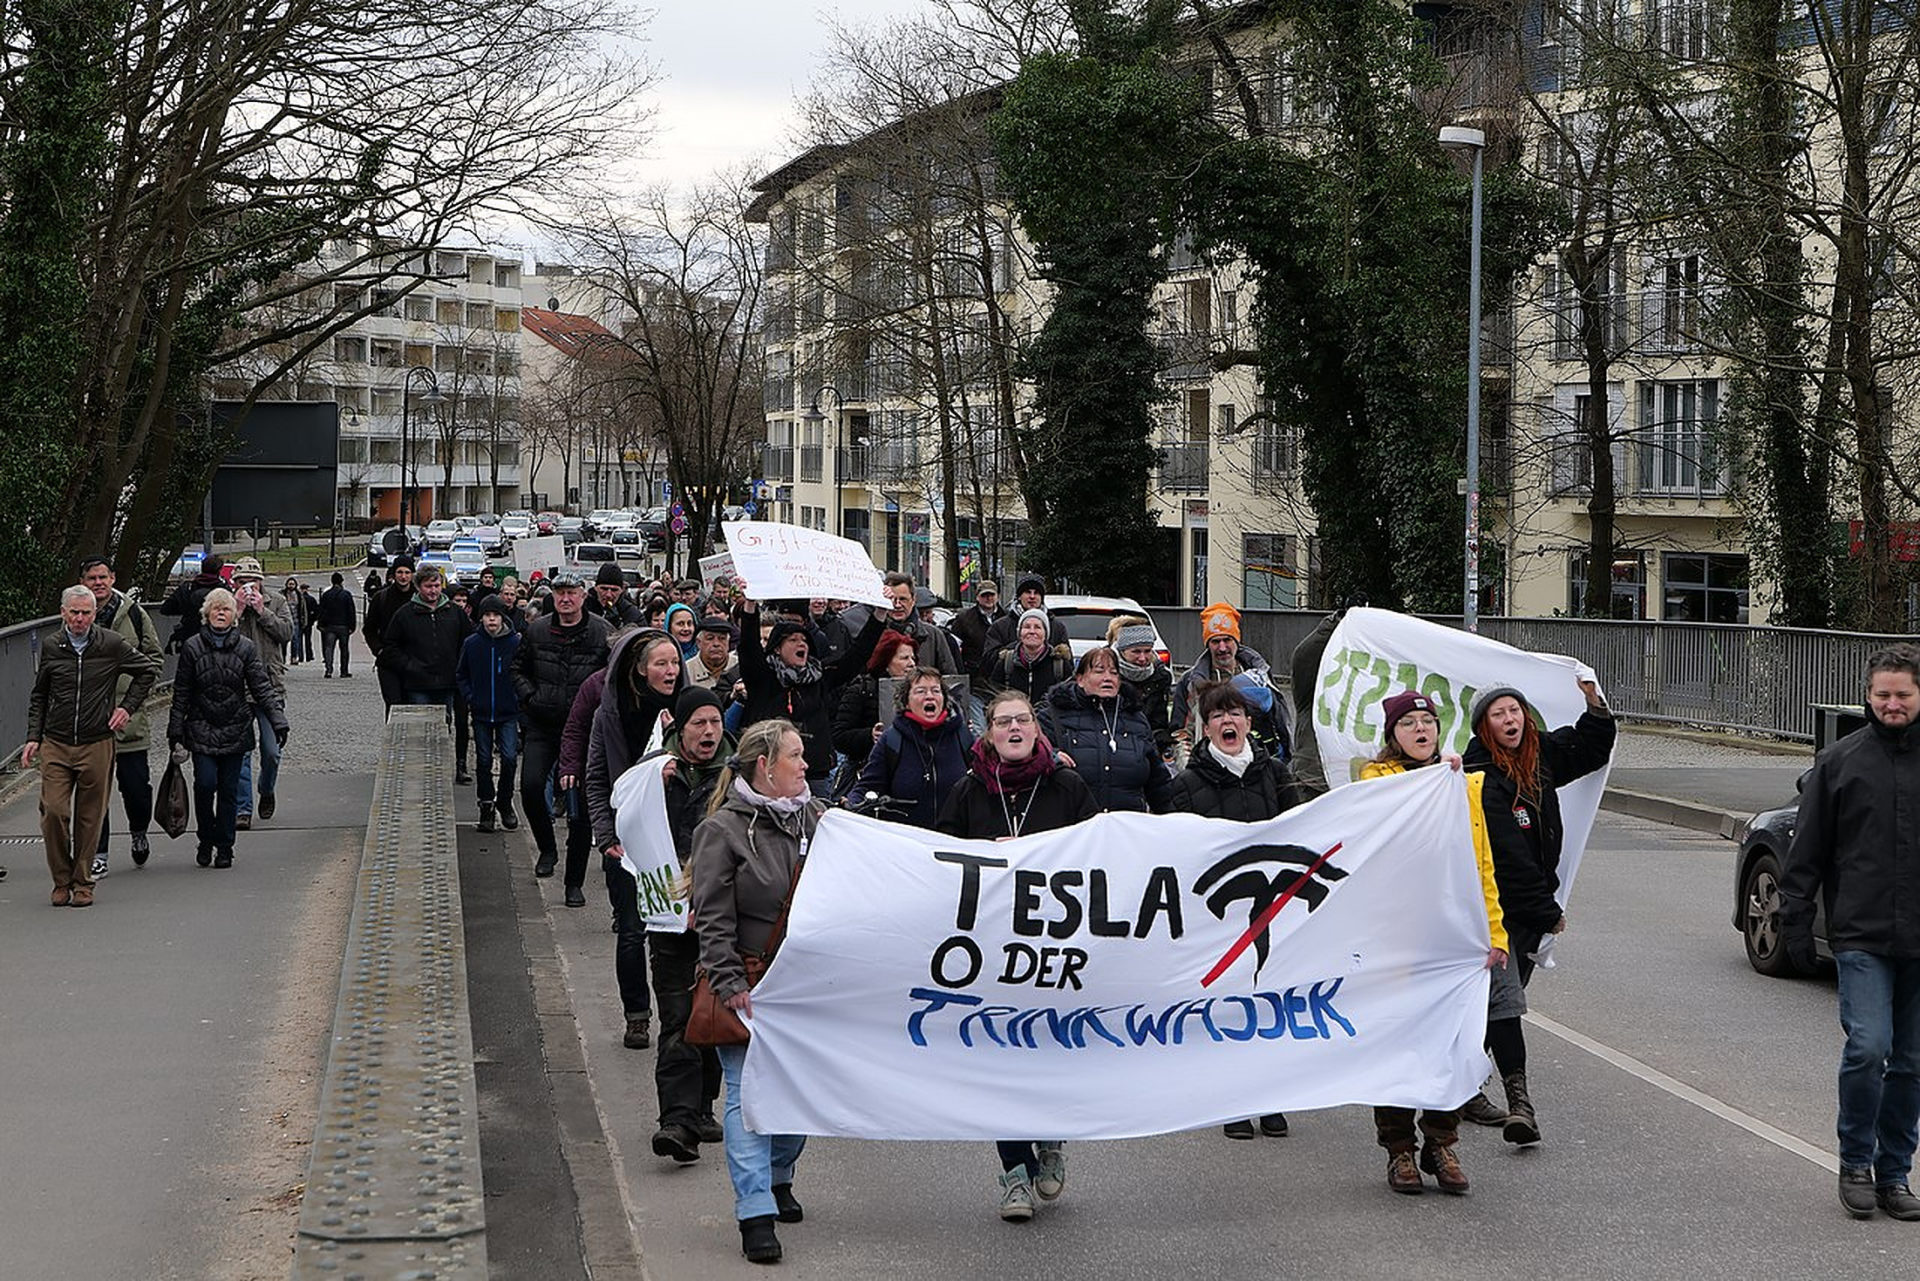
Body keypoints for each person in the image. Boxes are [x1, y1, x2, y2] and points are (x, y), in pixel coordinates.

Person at [936, 689, 1097, 1222]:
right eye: (1003, 721)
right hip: (992, 948)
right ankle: (1014, 1173)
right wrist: (988, 855)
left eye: (1022, 719)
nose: (1013, 728)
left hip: (1056, 948)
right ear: (988, 733)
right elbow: (942, 860)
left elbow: (1099, 855)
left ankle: (1051, 1139)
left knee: (1049, 1053)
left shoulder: (1067, 786)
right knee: (1001, 1059)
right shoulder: (968, 791)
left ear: (1036, 728)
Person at [1782, 646, 1920, 1221]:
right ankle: (1856, 1163)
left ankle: (1894, 1174)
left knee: (1911, 1062)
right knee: (1868, 1048)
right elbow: (1808, 847)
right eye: (1883, 695)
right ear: (1868, 696)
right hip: (1862, 934)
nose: (1893, 704)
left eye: (1903, 694)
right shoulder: (1839, 762)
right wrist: (1794, 918)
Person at [1358, 690, 1509, 1196]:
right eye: (1409, 723)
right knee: (1400, 1045)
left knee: (1451, 1044)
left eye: (1428, 721)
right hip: (1399, 943)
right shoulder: (1377, 782)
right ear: (1392, 735)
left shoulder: (1461, 785)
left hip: (1454, 940)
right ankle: (1399, 1148)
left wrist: (1494, 932)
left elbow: (1481, 865)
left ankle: (1442, 1142)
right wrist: (1433, 780)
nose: (1421, 730)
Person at [1460, 676, 1615, 1145]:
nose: (1510, 720)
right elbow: (1508, 858)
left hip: (1526, 912)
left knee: (1489, 1008)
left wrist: (1595, 705)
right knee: (1504, 1004)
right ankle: (1520, 1106)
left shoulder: (1538, 754)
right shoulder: (1480, 776)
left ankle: (1459, 1088)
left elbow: (1589, 750)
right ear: (1484, 726)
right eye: (1498, 714)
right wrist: (1547, 912)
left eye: (1515, 711)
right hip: (1492, 912)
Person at [689, 719, 821, 1264]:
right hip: (747, 980)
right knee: (747, 1097)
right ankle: (754, 1212)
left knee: (798, 1093)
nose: (806, 765)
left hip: (804, 987)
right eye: (795, 756)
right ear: (765, 766)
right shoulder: (721, 830)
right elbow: (712, 916)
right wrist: (728, 981)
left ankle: (777, 1174)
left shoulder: (817, 818)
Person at [1167, 681, 1303, 1141]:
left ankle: (1270, 1096)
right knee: (1229, 1007)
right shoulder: (1186, 785)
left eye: (1236, 714)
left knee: (1271, 1002)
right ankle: (1234, 1101)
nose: (1229, 721)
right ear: (1205, 728)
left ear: (1248, 722)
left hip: (1272, 911)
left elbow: (1302, 833)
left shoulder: (1276, 774)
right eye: (1218, 715)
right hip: (1219, 917)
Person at [619, 685, 731, 1162]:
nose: (708, 732)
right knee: (679, 1018)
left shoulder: (738, 775)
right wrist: (655, 788)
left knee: (714, 1017)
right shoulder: (653, 773)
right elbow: (621, 812)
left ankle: (702, 1106)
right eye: (698, 724)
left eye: (715, 722)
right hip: (668, 918)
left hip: (720, 917)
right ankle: (677, 1121)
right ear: (680, 730)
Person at [23, 584, 159, 906]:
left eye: (86, 613)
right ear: (63, 613)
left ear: (94, 614)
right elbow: (40, 694)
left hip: (96, 741)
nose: (80, 619)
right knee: (53, 811)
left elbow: (148, 670)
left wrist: (127, 707)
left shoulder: (110, 644)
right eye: (74, 613)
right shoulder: (52, 645)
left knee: (90, 816)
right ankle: (61, 879)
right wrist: (33, 737)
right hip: (57, 741)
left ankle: (83, 883)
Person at [580, 632, 684, 1048]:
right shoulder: (610, 715)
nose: (671, 671)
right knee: (631, 930)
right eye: (661, 663)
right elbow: (595, 778)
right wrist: (606, 836)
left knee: (677, 931)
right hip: (627, 841)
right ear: (640, 669)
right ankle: (637, 1015)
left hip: (677, 838)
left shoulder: (688, 711)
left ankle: (678, 1018)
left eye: (675, 662)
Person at [168, 588, 287, 871]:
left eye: (226, 609)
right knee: (205, 785)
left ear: (234, 616)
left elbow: (260, 686)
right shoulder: (193, 647)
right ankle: (205, 838)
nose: (220, 613)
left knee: (229, 790)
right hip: (202, 726)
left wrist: (278, 719)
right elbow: (182, 691)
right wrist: (175, 728)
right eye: (216, 609)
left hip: (235, 726)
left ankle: (225, 846)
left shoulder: (245, 647)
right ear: (207, 614)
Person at [512, 574, 612, 887]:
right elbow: (517, 669)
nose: (565, 599)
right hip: (543, 723)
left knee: (581, 806)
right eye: (560, 593)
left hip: (583, 729)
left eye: (571, 593)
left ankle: (574, 883)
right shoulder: (537, 630)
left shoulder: (601, 631)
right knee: (530, 787)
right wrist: (531, 697)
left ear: (583, 596)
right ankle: (547, 848)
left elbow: (611, 677)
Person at [733, 594, 882, 795]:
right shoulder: (763, 677)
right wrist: (750, 604)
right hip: (771, 772)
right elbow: (748, 646)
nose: (801, 644)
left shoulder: (820, 677)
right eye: (793, 640)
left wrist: (879, 615)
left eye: (804, 640)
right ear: (777, 648)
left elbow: (857, 655)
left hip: (815, 774)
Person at [79, 558, 164, 879]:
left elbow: (153, 658)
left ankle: (139, 831)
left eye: (103, 577)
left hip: (129, 716)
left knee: (136, 788)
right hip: (90, 721)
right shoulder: (76, 615)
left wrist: (134, 698)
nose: (98, 583)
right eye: (92, 578)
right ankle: (98, 854)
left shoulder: (134, 615)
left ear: (113, 578)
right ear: (83, 581)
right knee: (94, 791)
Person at [1039, 646, 1172, 813]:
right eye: (1099, 671)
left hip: (1126, 823)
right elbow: (1029, 756)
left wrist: (1174, 818)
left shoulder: (1136, 719)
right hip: (1075, 823)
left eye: (1114, 673)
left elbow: (1158, 782)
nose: (1107, 678)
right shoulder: (1053, 716)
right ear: (1080, 679)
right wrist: (1051, 757)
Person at [852, 666, 974, 828]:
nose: (929, 696)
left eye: (936, 691)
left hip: (955, 839)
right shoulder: (892, 740)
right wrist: (847, 809)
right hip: (906, 839)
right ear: (906, 702)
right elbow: (867, 788)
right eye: (920, 691)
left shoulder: (963, 736)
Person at [230, 557, 292, 828]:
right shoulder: (227, 603)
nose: (248, 587)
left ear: (261, 582)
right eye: (242, 582)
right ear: (234, 583)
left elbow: (287, 633)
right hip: (237, 688)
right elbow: (214, 633)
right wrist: (237, 610)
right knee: (241, 752)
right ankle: (242, 808)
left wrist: (261, 611)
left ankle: (266, 789)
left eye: (253, 582)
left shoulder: (276, 601)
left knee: (271, 751)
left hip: (270, 685)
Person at [1170, 602, 1276, 755]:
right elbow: (1181, 733)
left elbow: (1278, 721)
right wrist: (1187, 762)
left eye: (1227, 640)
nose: (1222, 648)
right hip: (1208, 763)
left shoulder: (1259, 675)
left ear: (1237, 641)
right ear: (1207, 645)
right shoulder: (1191, 682)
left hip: (1255, 761)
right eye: (1215, 641)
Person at [457, 595, 521, 833]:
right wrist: (471, 696)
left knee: (510, 758)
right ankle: (486, 804)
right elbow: (461, 674)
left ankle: (504, 800)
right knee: (483, 761)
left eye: (496, 615)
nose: (491, 620)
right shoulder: (472, 643)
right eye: (487, 615)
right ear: (481, 618)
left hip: (508, 711)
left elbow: (523, 672)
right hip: (482, 711)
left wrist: (518, 698)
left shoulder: (514, 643)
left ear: (503, 617)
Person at [832, 631, 918, 774]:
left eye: (913, 658)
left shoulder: (919, 692)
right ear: (886, 661)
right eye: (904, 658)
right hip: (871, 769)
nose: (912, 664)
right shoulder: (862, 690)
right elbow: (839, 737)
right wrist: (870, 735)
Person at [1108, 616, 1173, 758]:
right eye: (1136, 652)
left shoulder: (1160, 677)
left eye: (1147, 651)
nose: (1143, 658)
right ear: (1122, 651)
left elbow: (1159, 723)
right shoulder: (1106, 675)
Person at [875, 572, 960, 674]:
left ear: (913, 600)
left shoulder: (934, 635)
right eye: (892, 599)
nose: (897, 605)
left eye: (903, 599)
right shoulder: (874, 635)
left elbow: (950, 676)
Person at [985, 608, 1072, 705]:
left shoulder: (1059, 664)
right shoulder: (1006, 661)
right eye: (1027, 627)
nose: (1032, 631)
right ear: (1020, 633)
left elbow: (1069, 699)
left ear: (1045, 634)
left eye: (1037, 627)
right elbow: (993, 696)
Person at [363, 554, 416, 710]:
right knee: (393, 703)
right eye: (400, 572)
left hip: (414, 660)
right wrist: (378, 650)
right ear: (394, 574)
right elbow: (369, 629)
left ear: (412, 574)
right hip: (388, 660)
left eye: (407, 572)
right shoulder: (381, 598)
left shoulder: (419, 597)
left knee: (413, 703)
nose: (403, 576)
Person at [160, 553, 227, 650]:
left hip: (189, 639)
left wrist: (186, 609)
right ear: (219, 570)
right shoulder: (224, 591)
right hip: (217, 639)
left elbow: (166, 609)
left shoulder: (187, 589)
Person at [949, 580, 1007, 679]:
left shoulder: (1007, 618)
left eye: (992, 595)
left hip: (1001, 673)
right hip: (974, 675)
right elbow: (954, 648)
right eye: (984, 595)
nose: (988, 598)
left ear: (998, 596)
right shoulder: (964, 619)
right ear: (977, 597)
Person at [686, 616, 739, 701]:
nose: (716, 644)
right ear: (698, 643)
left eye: (722, 638)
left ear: (728, 642)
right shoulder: (686, 671)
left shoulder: (739, 666)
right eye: (710, 638)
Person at [317, 571, 358, 678]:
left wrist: (320, 624)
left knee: (329, 648)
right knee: (344, 649)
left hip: (330, 626)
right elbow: (351, 611)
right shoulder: (346, 595)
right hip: (343, 626)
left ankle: (328, 670)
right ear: (341, 581)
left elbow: (321, 610)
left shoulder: (326, 595)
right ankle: (344, 671)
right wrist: (352, 626)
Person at [591, 561, 643, 627]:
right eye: (604, 589)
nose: (608, 595)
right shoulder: (583, 609)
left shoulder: (632, 613)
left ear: (621, 590)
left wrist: (619, 625)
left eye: (614, 590)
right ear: (596, 588)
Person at [283, 576, 312, 664]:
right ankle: (283, 657)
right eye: (289, 584)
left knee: (295, 639)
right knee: (283, 640)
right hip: (285, 620)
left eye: (293, 584)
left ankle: (294, 657)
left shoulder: (299, 595)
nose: (291, 586)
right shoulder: (282, 594)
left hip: (296, 620)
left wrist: (304, 620)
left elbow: (303, 609)